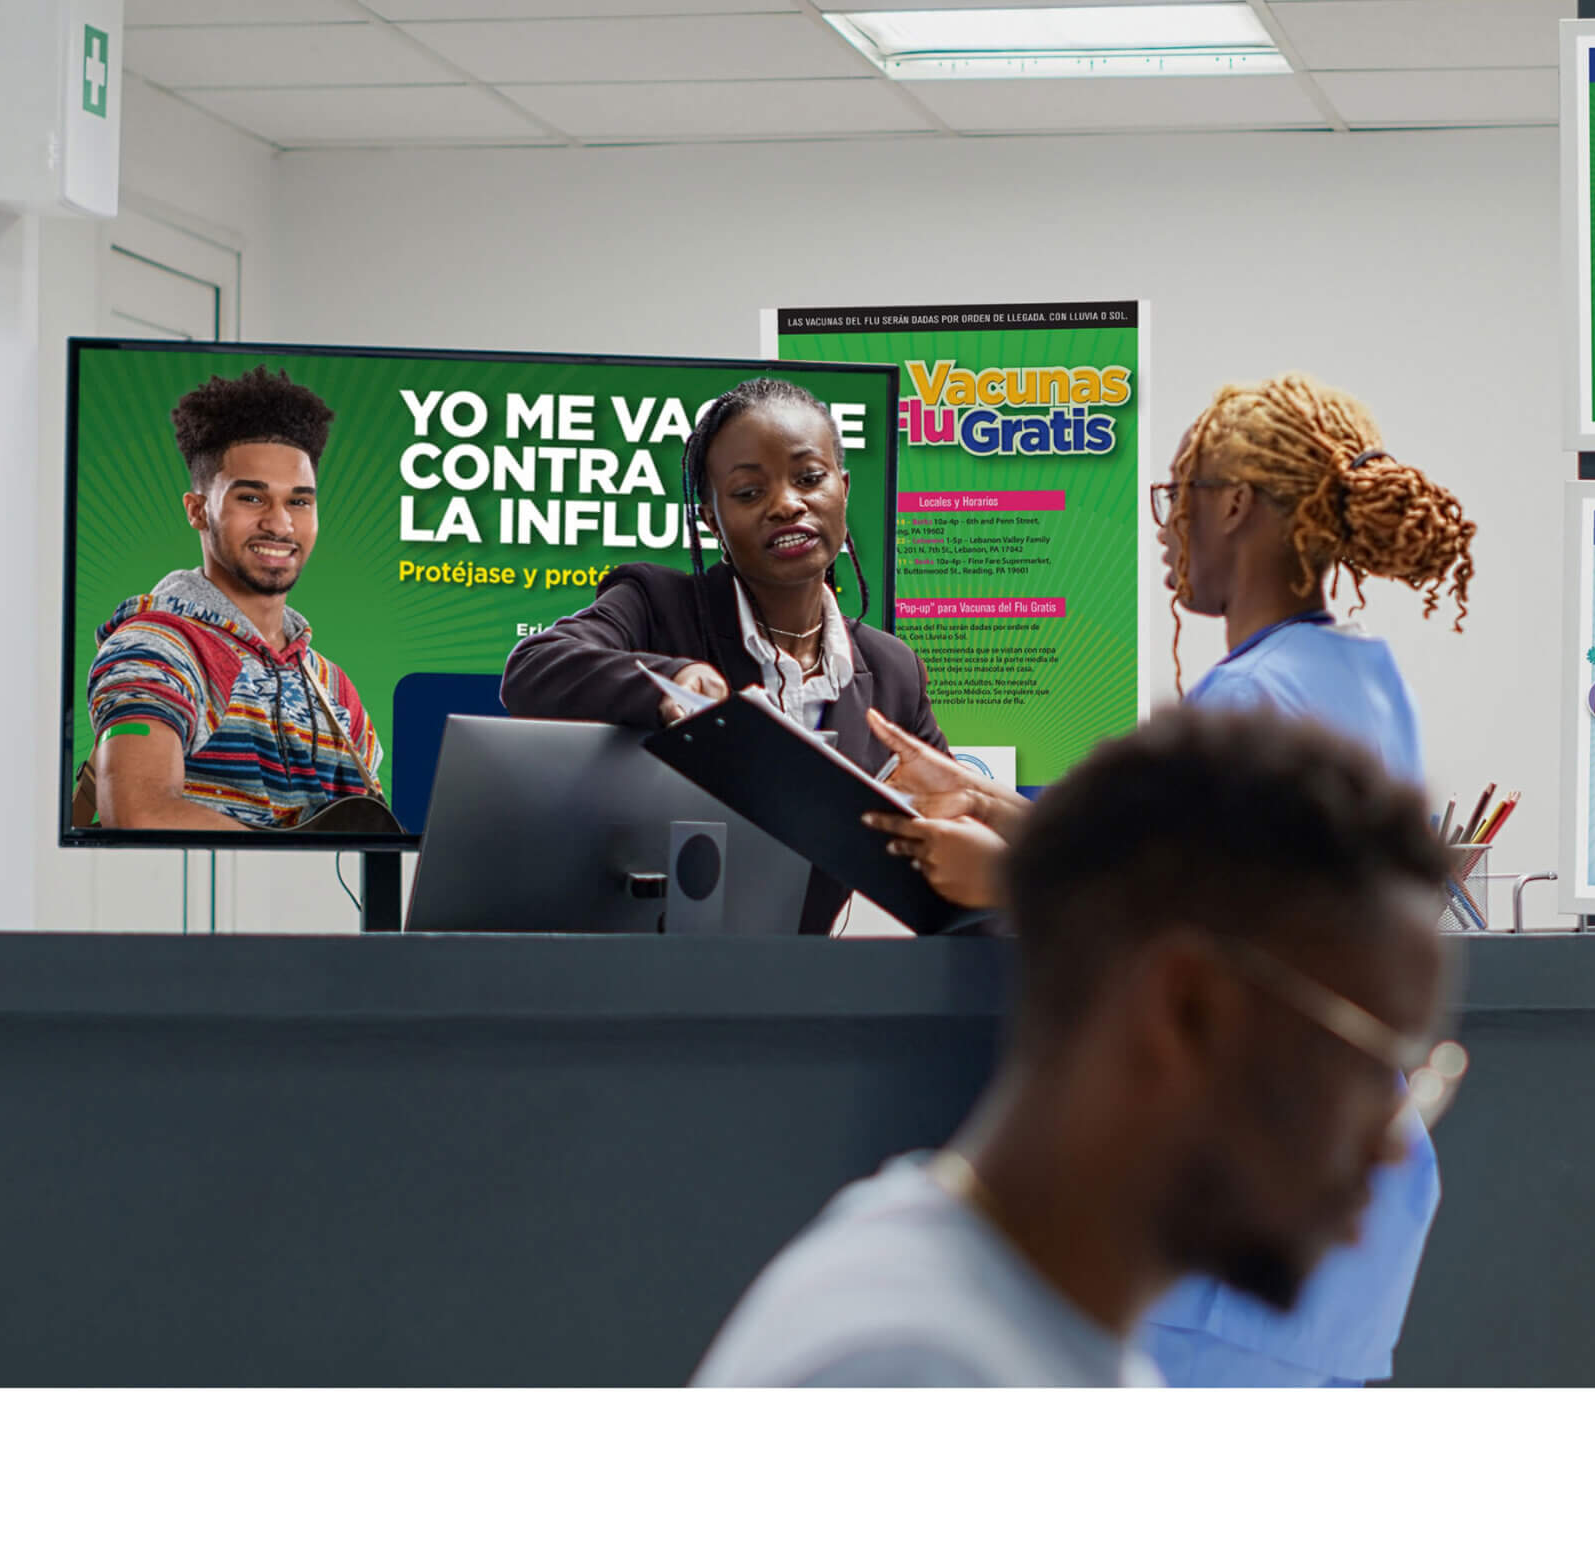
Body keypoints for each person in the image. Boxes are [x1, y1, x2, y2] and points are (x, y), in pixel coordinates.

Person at [863, 372, 1476, 1387]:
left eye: (1176, 497)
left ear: (1233, 504)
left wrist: (1005, 874)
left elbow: (1207, 935)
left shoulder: (1248, 695)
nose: (1167, 530)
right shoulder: (1355, 677)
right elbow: (1239, 873)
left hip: (1242, 1216)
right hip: (1344, 1215)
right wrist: (994, 806)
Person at [693, 706, 1460, 1386]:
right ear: (1184, 1010)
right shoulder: (914, 1373)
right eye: (1364, 1064)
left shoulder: (1020, 1337)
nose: (1395, 1151)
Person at [501, 376, 945, 933]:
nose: (787, 505)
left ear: (844, 488)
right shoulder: (657, 605)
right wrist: (673, 681)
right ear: (711, 519)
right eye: (748, 492)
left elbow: (951, 837)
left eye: (810, 478)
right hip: (642, 975)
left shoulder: (891, 669)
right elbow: (533, 669)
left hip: (799, 986)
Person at [84, 366, 387, 831]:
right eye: (252, 498)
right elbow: (138, 813)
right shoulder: (157, 650)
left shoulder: (333, 688)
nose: (281, 524)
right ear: (197, 510)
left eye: (300, 502)